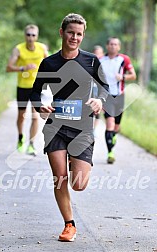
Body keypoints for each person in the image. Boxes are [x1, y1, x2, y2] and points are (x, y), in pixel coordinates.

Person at [30, 13, 108, 241]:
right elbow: (35, 91)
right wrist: (40, 106)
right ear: (62, 32)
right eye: (71, 32)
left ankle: (76, 159)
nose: (75, 37)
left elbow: (105, 87)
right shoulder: (49, 62)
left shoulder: (91, 61)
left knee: (79, 184)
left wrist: (99, 100)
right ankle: (69, 225)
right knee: (60, 178)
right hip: (56, 126)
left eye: (79, 34)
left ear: (83, 36)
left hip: (82, 128)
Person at [6, 24, 48, 155]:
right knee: (21, 117)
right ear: (25, 36)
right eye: (28, 35)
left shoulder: (42, 48)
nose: (30, 38)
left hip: (36, 88)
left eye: (33, 35)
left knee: (35, 117)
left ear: (37, 36)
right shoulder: (18, 49)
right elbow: (8, 68)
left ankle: (31, 144)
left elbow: (50, 64)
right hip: (23, 87)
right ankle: (20, 138)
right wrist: (22, 68)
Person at [100, 37, 136, 164]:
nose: (113, 46)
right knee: (110, 123)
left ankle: (113, 137)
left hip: (119, 96)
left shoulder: (124, 59)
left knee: (116, 126)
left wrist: (123, 76)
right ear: (107, 46)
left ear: (119, 47)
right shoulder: (101, 60)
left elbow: (133, 75)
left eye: (115, 44)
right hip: (106, 96)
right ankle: (110, 153)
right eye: (111, 44)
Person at [92, 45, 104, 136]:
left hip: (100, 89)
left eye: (99, 53)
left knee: (97, 111)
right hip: (91, 88)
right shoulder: (90, 62)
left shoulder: (104, 63)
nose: (97, 55)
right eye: (96, 53)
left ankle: (94, 130)